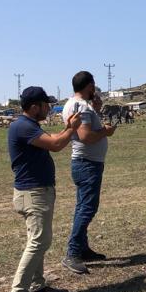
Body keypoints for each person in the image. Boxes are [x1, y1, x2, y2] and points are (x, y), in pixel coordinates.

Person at [6, 87, 80, 292]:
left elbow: (53, 138)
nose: (48, 108)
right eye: (46, 105)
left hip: (35, 192)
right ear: (34, 107)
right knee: (40, 240)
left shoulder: (29, 125)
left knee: (36, 239)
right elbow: (56, 144)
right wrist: (72, 129)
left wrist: (67, 128)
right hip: (33, 193)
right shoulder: (23, 126)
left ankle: (37, 286)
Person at [61, 71, 115, 274]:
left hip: (84, 162)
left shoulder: (73, 104)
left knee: (82, 206)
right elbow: (85, 136)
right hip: (87, 163)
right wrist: (106, 131)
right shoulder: (82, 106)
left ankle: (82, 248)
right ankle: (73, 253)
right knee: (88, 208)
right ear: (89, 86)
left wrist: (96, 111)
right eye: (94, 85)